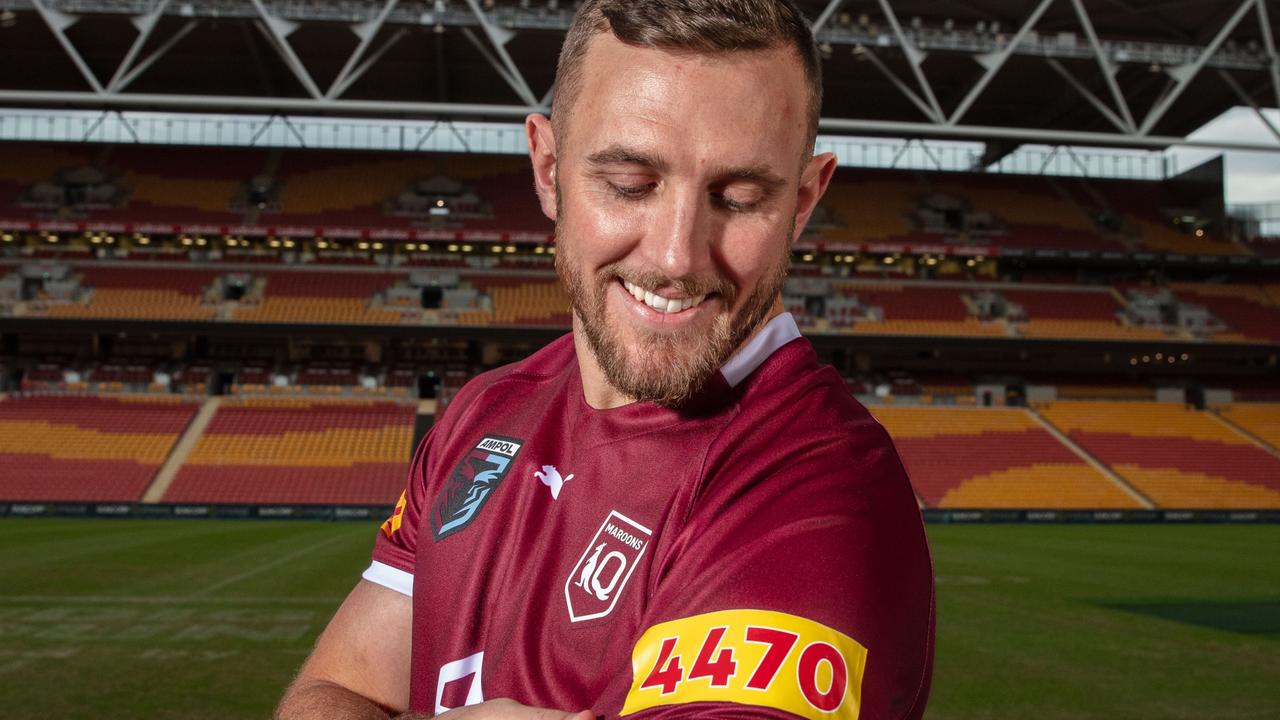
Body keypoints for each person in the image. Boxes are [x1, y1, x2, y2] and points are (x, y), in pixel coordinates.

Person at [276, 1, 933, 718]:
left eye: (739, 199)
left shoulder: (819, 494)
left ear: (804, 201)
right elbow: (332, 692)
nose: (676, 256)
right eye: (629, 184)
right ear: (549, 166)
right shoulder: (483, 412)